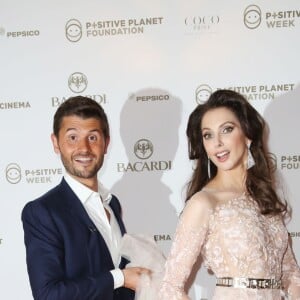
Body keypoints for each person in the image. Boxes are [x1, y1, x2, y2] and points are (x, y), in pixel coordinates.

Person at [158, 89, 300, 299]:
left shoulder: (264, 198)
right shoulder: (204, 202)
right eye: (208, 135)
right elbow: (170, 287)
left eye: (227, 130)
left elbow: (291, 276)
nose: (217, 143)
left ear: (248, 135)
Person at [22, 96, 149, 300]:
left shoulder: (112, 204)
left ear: (106, 144)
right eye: (72, 137)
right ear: (56, 143)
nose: (84, 148)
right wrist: (120, 278)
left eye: (92, 137)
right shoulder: (42, 212)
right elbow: (47, 294)